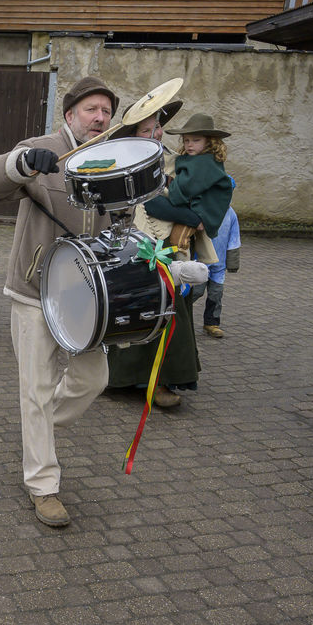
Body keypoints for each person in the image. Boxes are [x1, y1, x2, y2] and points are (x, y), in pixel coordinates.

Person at [0, 76, 121, 527]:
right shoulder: (43, 148)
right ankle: (43, 485)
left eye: (106, 111)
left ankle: (35, 424)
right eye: (91, 109)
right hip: (35, 290)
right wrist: (22, 164)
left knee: (92, 379)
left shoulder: (111, 156)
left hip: (86, 296)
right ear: (70, 114)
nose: (100, 118)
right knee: (35, 388)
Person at [107, 113, 232, 408]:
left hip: (170, 245)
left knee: (172, 308)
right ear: (135, 134)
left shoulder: (178, 159)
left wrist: (200, 217)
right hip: (135, 242)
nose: (155, 133)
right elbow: (150, 201)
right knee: (134, 306)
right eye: (147, 129)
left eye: (158, 127)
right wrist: (191, 218)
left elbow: (197, 194)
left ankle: (162, 380)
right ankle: (122, 377)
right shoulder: (127, 160)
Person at [195, 205, 240, 338]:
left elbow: (234, 238)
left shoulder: (231, 213)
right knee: (195, 291)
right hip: (200, 261)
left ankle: (212, 322)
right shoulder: (202, 209)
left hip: (219, 264)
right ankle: (178, 318)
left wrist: (233, 261)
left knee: (216, 294)